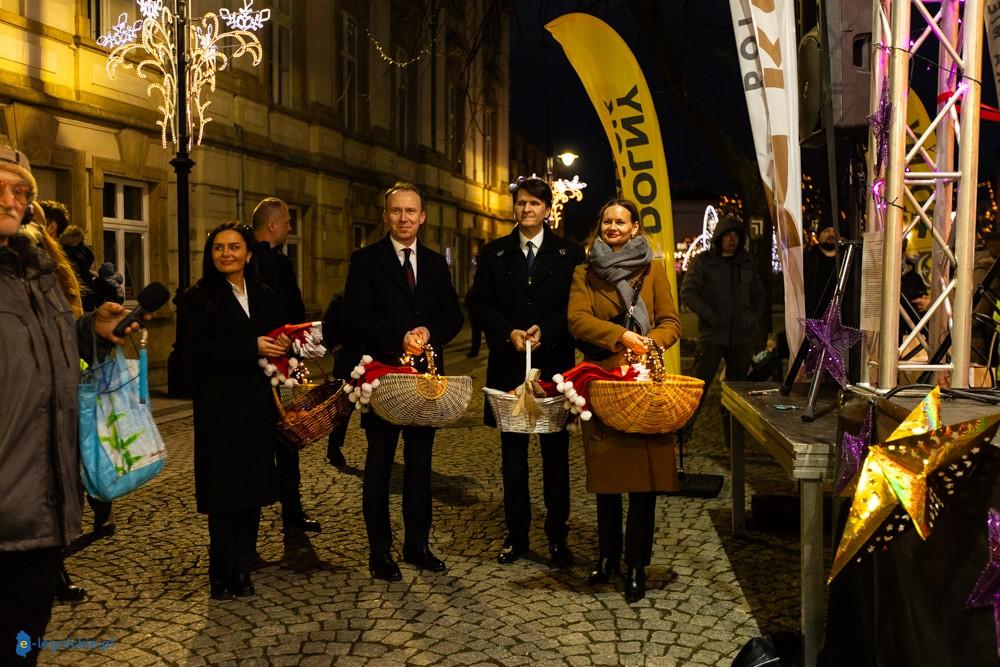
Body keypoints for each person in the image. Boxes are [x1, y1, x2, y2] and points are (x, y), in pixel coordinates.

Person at [0, 145, 144, 664]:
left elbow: (43, 356)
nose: (11, 199)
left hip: (42, 498)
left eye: (21, 190)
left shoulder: (37, 272)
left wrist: (91, 331)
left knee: (25, 639)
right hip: (5, 498)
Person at [342, 181, 463, 581]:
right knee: (378, 467)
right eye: (397, 211)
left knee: (420, 467)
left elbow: (453, 316)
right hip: (383, 379)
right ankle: (380, 551)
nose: (404, 218)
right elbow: (355, 317)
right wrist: (398, 337)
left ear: (422, 217)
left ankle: (418, 545)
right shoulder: (366, 261)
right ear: (386, 215)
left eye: (411, 211)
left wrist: (429, 331)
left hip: (426, 382)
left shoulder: (434, 263)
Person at [466, 176, 585, 567]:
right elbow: (479, 302)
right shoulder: (495, 252)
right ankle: (516, 535)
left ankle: (557, 536)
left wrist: (546, 330)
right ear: (514, 208)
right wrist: (506, 332)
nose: (527, 209)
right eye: (520, 203)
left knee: (555, 457)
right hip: (509, 370)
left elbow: (576, 309)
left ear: (547, 210)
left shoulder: (570, 254)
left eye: (534, 203)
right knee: (513, 460)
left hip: (553, 370)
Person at [567, 199, 682, 603]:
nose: (613, 227)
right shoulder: (585, 272)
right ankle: (607, 557)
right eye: (607, 221)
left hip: (643, 380)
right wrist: (620, 337)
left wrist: (650, 343)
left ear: (635, 228)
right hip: (601, 378)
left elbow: (672, 323)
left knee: (644, 481)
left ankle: (636, 564)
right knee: (608, 477)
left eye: (621, 221)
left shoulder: (653, 269)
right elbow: (577, 319)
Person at [177, 222, 286, 600]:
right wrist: (249, 346)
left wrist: (284, 344)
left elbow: (274, 342)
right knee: (224, 494)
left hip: (257, 406)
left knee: (252, 491)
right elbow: (194, 354)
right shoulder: (196, 298)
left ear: (249, 253)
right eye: (219, 248)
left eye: (234, 247)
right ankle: (220, 572)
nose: (226, 253)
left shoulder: (265, 295)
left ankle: (242, 567)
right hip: (219, 408)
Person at [249, 197, 319, 534]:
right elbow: (290, 310)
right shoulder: (260, 262)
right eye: (288, 220)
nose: (291, 226)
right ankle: (283, 511)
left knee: (286, 439)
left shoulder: (275, 260)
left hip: (279, 363)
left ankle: (290, 509)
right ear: (273, 225)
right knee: (277, 440)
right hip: (266, 366)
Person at [681, 215, 765, 440]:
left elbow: (758, 294)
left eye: (736, 236)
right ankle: (683, 432)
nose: (732, 240)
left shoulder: (747, 262)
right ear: (719, 237)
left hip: (740, 337)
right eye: (727, 235)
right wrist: (711, 316)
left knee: (737, 391)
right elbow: (688, 293)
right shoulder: (704, 261)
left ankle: (734, 438)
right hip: (712, 335)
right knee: (699, 385)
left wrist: (752, 318)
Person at [803, 222, 839, 318]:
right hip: (813, 320)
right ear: (819, 235)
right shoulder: (807, 260)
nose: (831, 234)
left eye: (834, 231)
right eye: (826, 231)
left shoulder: (848, 259)